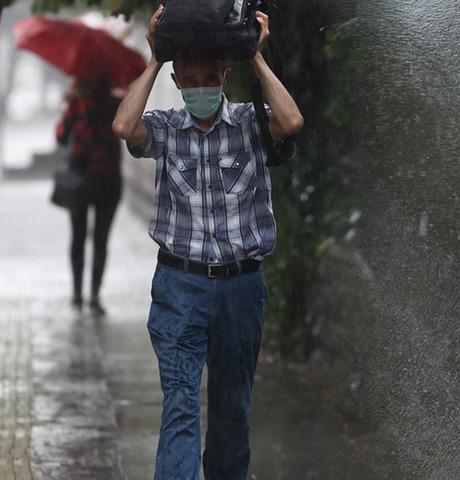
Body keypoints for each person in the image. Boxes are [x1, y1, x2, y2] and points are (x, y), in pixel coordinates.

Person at [111, 6, 303, 478]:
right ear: (177, 83)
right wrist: (156, 58)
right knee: (180, 407)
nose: (200, 88)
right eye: (189, 79)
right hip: (180, 288)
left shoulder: (251, 126)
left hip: (241, 291)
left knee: (232, 411)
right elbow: (123, 127)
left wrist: (254, 56)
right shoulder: (165, 130)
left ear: (223, 76)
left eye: (208, 78)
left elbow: (292, 122)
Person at [56, 75, 122, 315]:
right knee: (99, 239)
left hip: (85, 179)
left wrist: (70, 102)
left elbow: (61, 136)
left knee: (80, 237)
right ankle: (91, 295)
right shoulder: (116, 102)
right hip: (105, 179)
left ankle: (79, 295)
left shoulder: (77, 103)